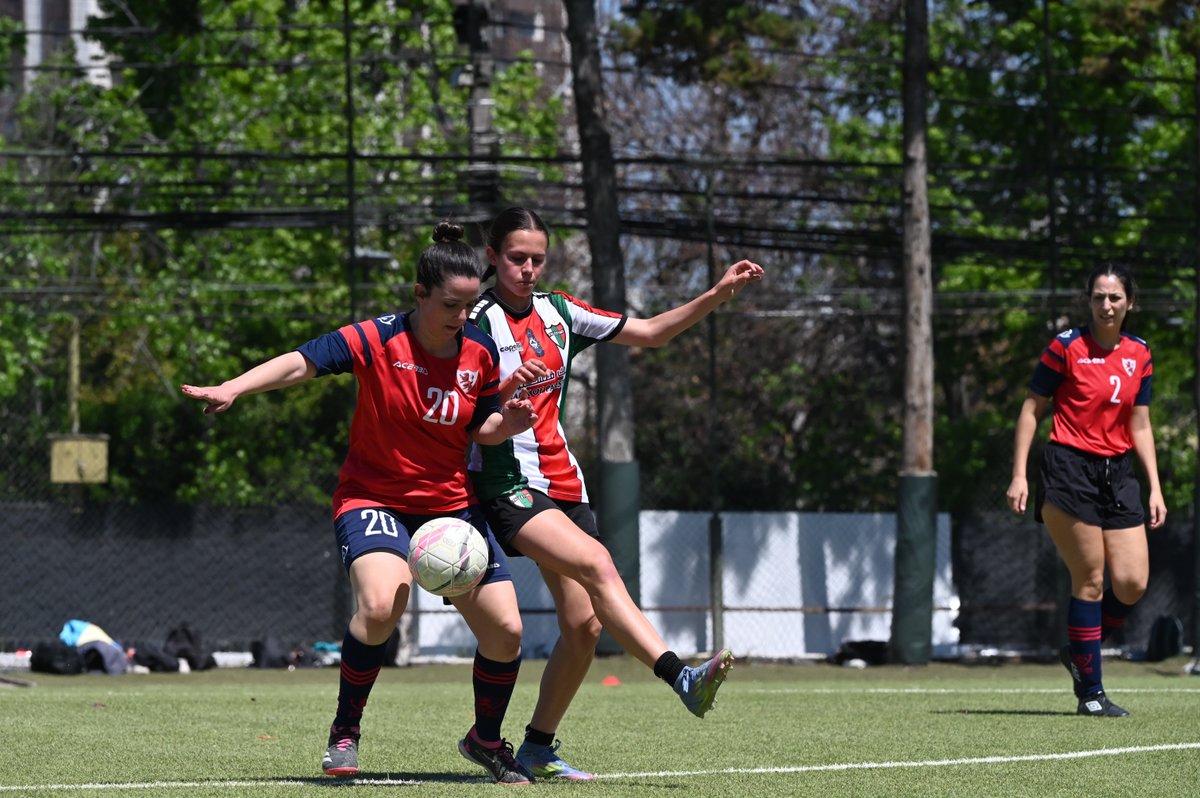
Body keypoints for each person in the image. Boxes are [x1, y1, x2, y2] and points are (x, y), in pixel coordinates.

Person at [181, 221, 542, 784]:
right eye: (450, 304)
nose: (461, 316)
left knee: (506, 631)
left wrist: (509, 423)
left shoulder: (480, 349)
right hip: (374, 498)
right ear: (420, 294)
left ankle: (487, 741)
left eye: (469, 306)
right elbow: (302, 361)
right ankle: (345, 730)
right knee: (378, 607)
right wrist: (234, 387)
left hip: (450, 508)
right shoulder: (378, 338)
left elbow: (480, 426)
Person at [467, 207, 764, 779]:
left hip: (565, 484)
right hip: (509, 485)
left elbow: (651, 333)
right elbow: (467, 412)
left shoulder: (559, 311)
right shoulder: (475, 323)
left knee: (584, 627)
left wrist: (718, 294)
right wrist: (503, 395)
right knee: (599, 564)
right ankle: (680, 675)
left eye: (537, 259)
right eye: (516, 258)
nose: (528, 269)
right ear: (492, 257)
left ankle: (536, 748)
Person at [1005, 263, 1166, 718]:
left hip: (1119, 473)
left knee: (1132, 583)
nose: (1106, 305)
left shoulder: (1140, 353)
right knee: (1091, 580)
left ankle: (1080, 650)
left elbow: (1140, 423)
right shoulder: (1066, 347)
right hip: (1069, 468)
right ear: (1088, 301)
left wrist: (1155, 487)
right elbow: (1031, 409)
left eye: (1115, 297)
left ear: (1130, 303)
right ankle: (1091, 693)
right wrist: (1019, 474)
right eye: (1098, 297)